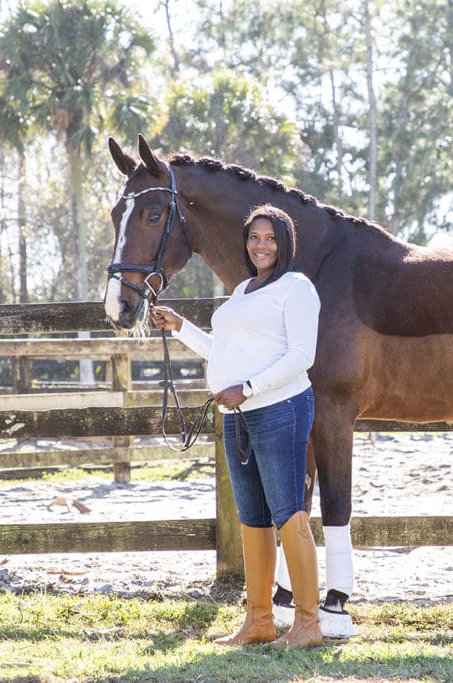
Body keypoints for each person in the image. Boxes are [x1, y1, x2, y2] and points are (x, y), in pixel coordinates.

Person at [150, 204, 322, 649]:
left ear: (284, 243)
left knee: (289, 512)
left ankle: (307, 624)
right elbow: (223, 351)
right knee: (252, 518)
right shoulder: (244, 289)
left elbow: (302, 355)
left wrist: (248, 387)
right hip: (237, 414)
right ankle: (259, 621)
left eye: (269, 237)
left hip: (279, 407)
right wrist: (181, 326)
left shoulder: (296, 288)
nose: (260, 245)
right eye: (254, 237)